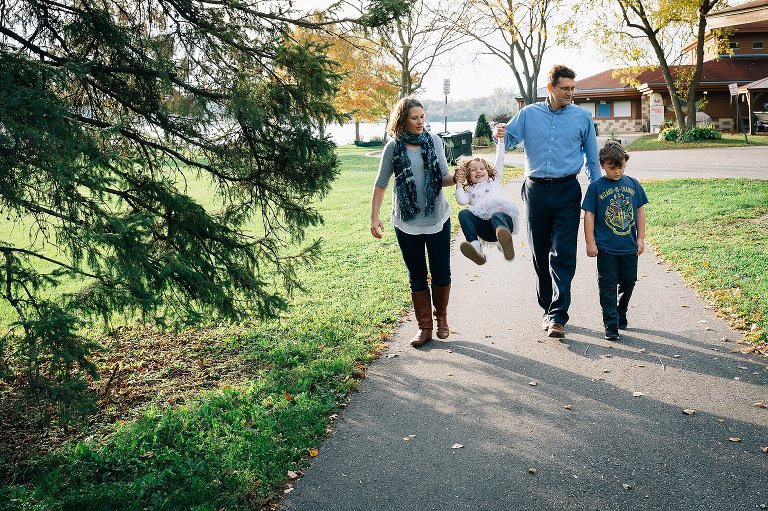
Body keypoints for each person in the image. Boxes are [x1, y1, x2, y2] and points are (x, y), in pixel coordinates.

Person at [496, 64, 600, 338]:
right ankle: (547, 307)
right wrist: (500, 133)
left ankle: (557, 315)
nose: (570, 93)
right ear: (550, 88)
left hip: (568, 190)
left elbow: (592, 158)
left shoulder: (582, 118)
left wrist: (598, 190)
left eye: (572, 89)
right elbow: (507, 141)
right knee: (539, 253)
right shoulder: (529, 114)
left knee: (563, 253)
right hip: (535, 191)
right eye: (564, 88)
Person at [370, 97, 458, 348]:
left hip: (436, 218)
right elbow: (381, 183)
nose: (420, 122)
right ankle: (424, 328)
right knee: (417, 275)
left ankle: (441, 318)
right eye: (414, 118)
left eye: (422, 117)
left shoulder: (434, 141)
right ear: (402, 120)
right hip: (406, 222)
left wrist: (459, 177)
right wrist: (374, 217)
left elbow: (443, 177)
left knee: (441, 273)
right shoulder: (393, 147)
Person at [582, 140, 648, 341]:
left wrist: (641, 238)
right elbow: (589, 215)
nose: (617, 172)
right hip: (606, 248)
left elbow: (640, 211)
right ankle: (610, 324)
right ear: (602, 164)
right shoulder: (596, 187)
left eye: (621, 167)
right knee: (608, 285)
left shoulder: (633, 184)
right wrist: (590, 241)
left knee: (629, 281)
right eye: (612, 168)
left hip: (628, 246)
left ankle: (621, 311)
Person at [454, 136, 521, 265]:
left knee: (496, 216)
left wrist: (501, 140)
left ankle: (504, 242)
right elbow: (461, 201)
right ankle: (476, 248)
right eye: (473, 170)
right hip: (486, 231)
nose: (478, 171)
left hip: (504, 222)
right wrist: (458, 183)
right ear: (469, 176)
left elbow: (500, 157)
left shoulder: (494, 181)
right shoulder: (469, 192)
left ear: (488, 171)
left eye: (481, 168)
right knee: (463, 213)